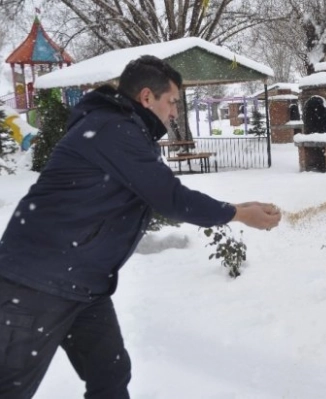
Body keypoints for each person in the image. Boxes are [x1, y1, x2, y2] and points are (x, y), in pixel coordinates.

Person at [0, 55, 281, 398]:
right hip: (34, 284)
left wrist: (238, 209)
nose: (176, 112)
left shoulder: (125, 130)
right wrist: (237, 213)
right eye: (173, 101)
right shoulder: (111, 129)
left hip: (84, 286)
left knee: (111, 375)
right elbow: (169, 197)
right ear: (147, 97)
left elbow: (156, 195)